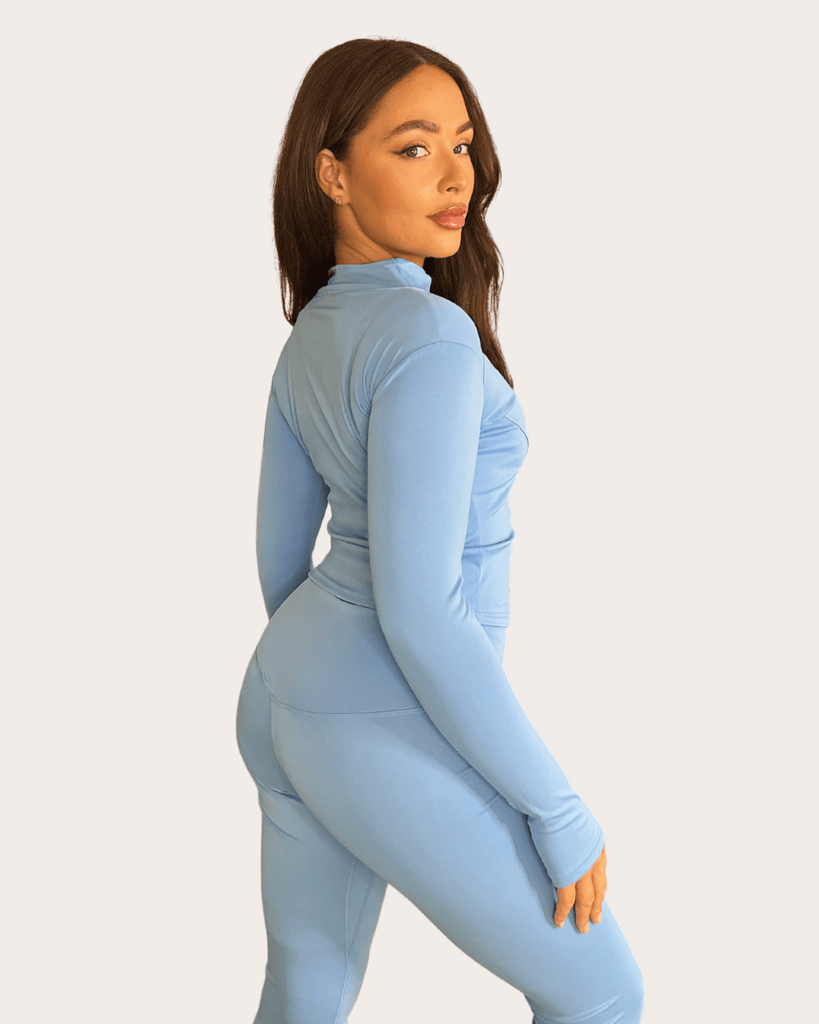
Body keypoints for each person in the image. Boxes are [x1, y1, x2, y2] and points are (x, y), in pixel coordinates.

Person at [235, 37, 644, 1024]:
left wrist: (319, 692)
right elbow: (422, 613)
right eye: (414, 148)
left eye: (462, 144)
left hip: (281, 692)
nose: (456, 175)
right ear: (332, 173)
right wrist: (557, 807)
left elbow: (279, 558)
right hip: (378, 713)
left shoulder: (313, 332)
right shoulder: (428, 338)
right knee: (600, 993)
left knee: (308, 986)